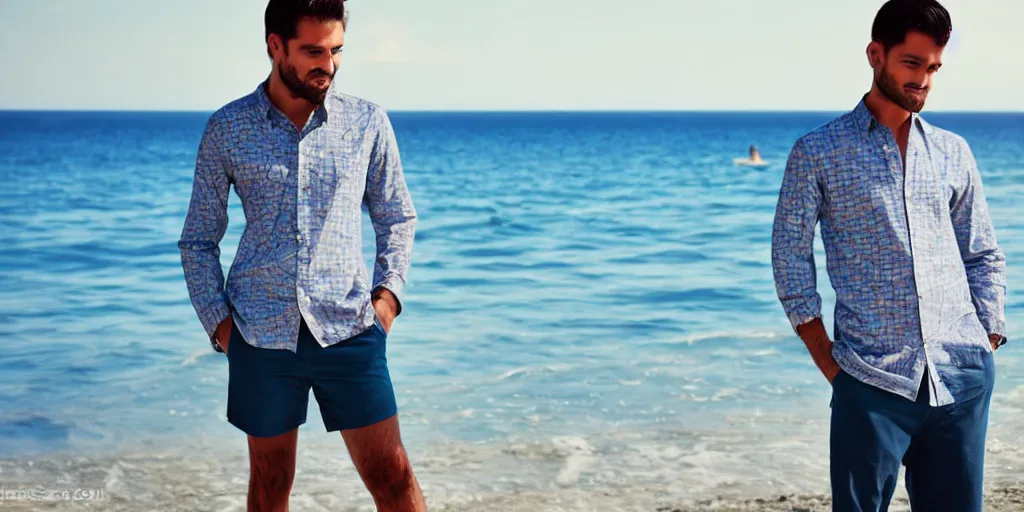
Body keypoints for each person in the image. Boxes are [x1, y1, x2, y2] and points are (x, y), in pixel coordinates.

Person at [178, 1, 426, 510]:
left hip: (351, 330)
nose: (328, 65)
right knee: (270, 486)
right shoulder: (227, 128)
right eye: (313, 51)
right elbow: (199, 240)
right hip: (260, 336)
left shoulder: (367, 122)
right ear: (275, 47)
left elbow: (397, 217)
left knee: (392, 475)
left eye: (336, 51)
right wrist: (220, 325)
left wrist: (388, 300)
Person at [770, 1, 1006, 510]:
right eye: (912, 63)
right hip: (870, 380)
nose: (924, 79)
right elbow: (789, 258)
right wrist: (829, 360)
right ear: (876, 54)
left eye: (933, 67)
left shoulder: (952, 151)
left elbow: (983, 253)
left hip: (959, 377)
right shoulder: (818, 152)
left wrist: (985, 338)